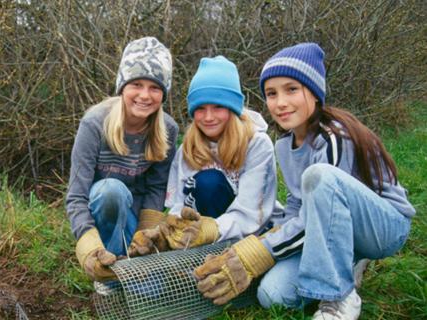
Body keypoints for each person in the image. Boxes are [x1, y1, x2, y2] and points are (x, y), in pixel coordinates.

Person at [192, 43, 415, 320]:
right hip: (329, 226)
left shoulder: (335, 137)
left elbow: (321, 213)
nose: (280, 102)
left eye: (291, 89)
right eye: (272, 94)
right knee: (273, 295)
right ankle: (349, 260)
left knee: (319, 177)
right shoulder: (284, 146)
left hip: (381, 228)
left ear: (314, 92)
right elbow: (298, 211)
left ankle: (340, 299)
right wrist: (260, 242)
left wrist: (261, 252)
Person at [127, 55, 279, 257]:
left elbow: (252, 212)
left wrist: (211, 229)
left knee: (210, 181)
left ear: (232, 108)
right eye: (200, 109)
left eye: (218, 107)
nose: (208, 117)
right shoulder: (188, 149)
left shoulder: (257, 144)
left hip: (251, 232)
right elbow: (178, 206)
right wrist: (169, 231)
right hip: (199, 235)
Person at [66, 36, 179, 282]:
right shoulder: (94, 124)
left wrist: (144, 238)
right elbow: (76, 197)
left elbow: (157, 188)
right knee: (111, 191)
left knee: (150, 291)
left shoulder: (168, 129)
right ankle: (107, 267)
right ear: (122, 87)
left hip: (136, 219)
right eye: (136, 84)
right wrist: (89, 248)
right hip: (102, 215)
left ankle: (130, 266)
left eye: (155, 87)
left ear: (163, 93)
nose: (145, 95)